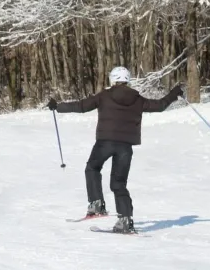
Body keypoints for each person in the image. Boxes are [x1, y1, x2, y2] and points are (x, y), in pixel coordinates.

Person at [47, 66, 183, 234]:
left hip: (105, 142)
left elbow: (82, 106)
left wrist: (57, 107)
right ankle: (125, 220)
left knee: (92, 168)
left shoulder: (104, 96)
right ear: (128, 80)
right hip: (125, 147)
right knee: (119, 183)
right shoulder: (137, 99)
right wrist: (174, 93)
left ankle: (96, 204)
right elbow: (160, 105)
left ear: (112, 80)